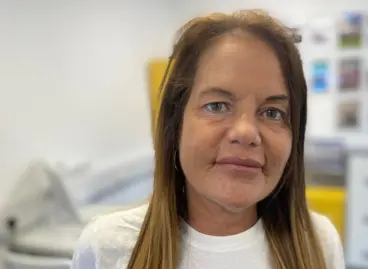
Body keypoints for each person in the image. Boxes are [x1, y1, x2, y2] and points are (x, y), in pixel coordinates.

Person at [70, 10, 345, 269]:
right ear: (176, 123)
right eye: (217, 106)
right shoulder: (108, 248)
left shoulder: (319, 243)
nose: (246, 133)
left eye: (272, 113)